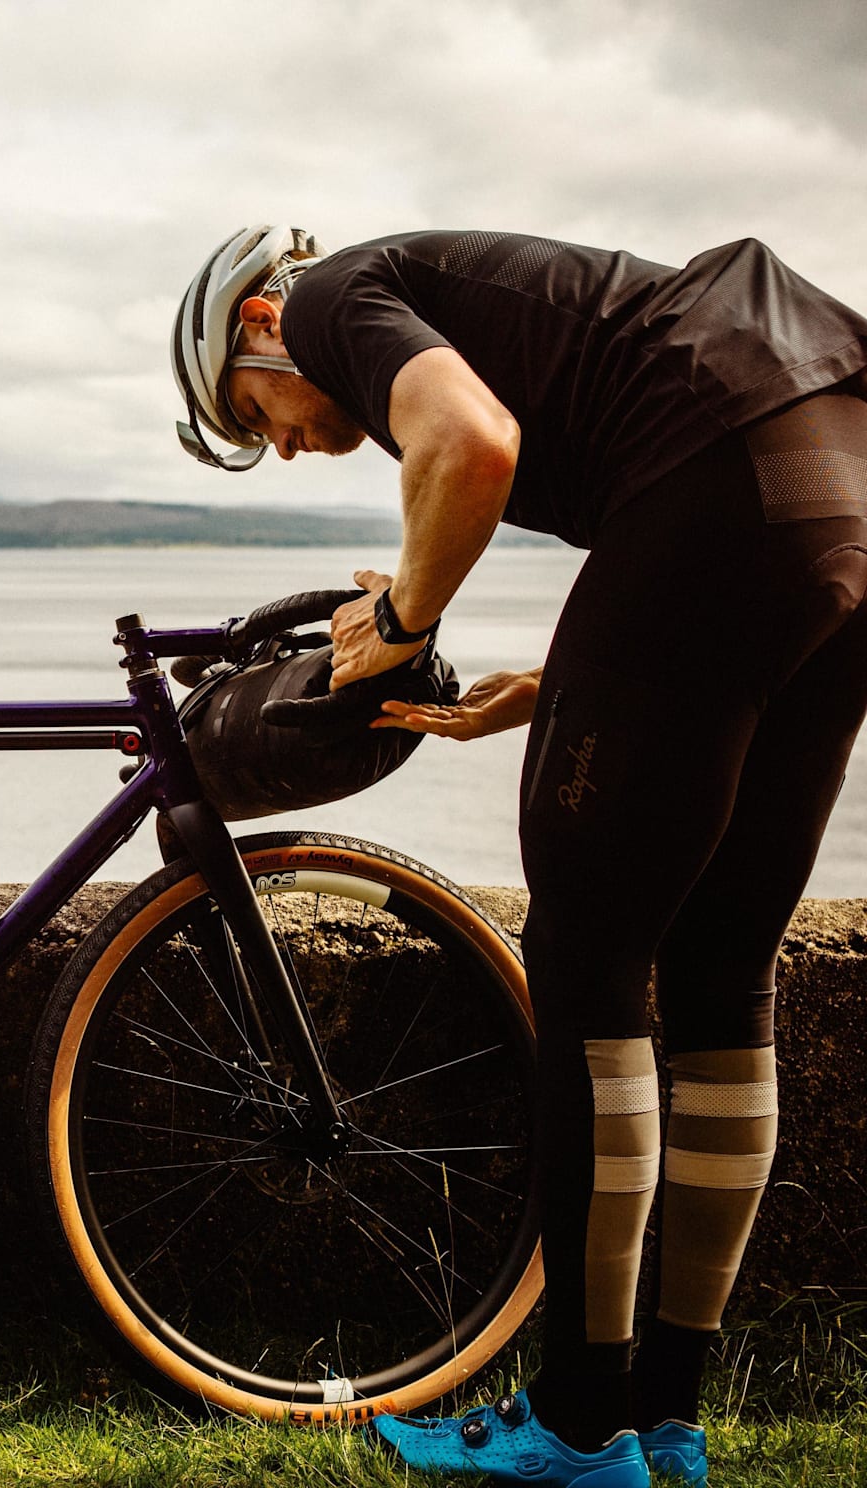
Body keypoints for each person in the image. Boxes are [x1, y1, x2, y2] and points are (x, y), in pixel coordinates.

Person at [171, 225, 867, 1488]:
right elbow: (712, 580)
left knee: (589, 958)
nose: (278, 443)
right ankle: (664, 1418)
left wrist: (394, 622)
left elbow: (470, 445)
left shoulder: (330, 297)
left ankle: (577, 1425)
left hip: (722, 474)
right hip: (847, 495)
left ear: (259, 326)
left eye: (249, 410)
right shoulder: (495, 303)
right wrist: (563, 686)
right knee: (722, 972)